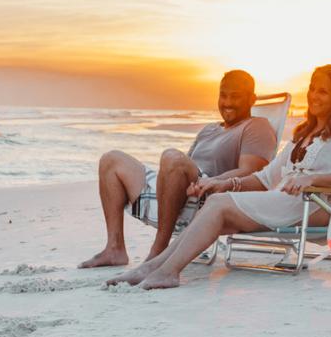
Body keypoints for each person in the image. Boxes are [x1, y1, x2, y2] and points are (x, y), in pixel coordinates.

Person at [107, 64, 331, 289]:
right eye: (312, 88)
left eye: (322, 91)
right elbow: (265, 178)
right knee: (217, 207)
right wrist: (225, 183)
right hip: (285, 201)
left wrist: (311, 180)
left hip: (315, 204)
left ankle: (167, 271)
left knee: (219, 205)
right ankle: (156, 266)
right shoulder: (303, 134)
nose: (313, 95)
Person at [79, 70, 277, 268]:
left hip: (209, 196)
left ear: (252, 99)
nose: (227, 103)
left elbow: (251, 173)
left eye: (235, 97)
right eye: (223, 95)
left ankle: (159, 251)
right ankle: (115, 249)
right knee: (111, 160)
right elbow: (186, 164)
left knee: (172, 156)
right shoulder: (209, 129)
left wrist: (212, 182)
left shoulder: (257, 127)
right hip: (181, 194)